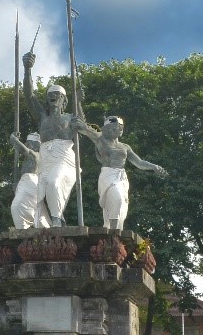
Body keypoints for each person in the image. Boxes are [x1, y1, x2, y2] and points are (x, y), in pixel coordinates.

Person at [22, 51, 84, 226]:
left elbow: (83, 127)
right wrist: (27, 70)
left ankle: (56, 220)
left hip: (63, 157)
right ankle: (55, 219)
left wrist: (78, 102)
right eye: (51, 93)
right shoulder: (42, 116)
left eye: (58, 94)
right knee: (39, 191)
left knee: (54, 181)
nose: (54, 95)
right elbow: (29, 95)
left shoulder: (70, 117)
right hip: (45, 157)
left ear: (64, 100)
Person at [75, 115, 167, 230]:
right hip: (108, 175)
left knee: (120, 204)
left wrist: (154, 167)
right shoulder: (100, 139)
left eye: (119, 127)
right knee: (117, 198)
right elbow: (86, 130)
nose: (116, 130)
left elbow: (139, 162)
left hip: (121, 178)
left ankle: (115, 229)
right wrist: (80, 125)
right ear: (106, 129)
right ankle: (114, 231)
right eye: (113, 127)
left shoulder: (125, 147)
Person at [9, 132, 43, 229]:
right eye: (27, 143)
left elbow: (24, 150)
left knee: (16, 207)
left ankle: (23, 230)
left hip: (30, 181)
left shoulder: (35, 155)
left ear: (36, 145)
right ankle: (25, 229)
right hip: (27, 183)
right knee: (22, 207)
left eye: (29, 143)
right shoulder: (33, 157)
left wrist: (14, 140)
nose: (28, 145)